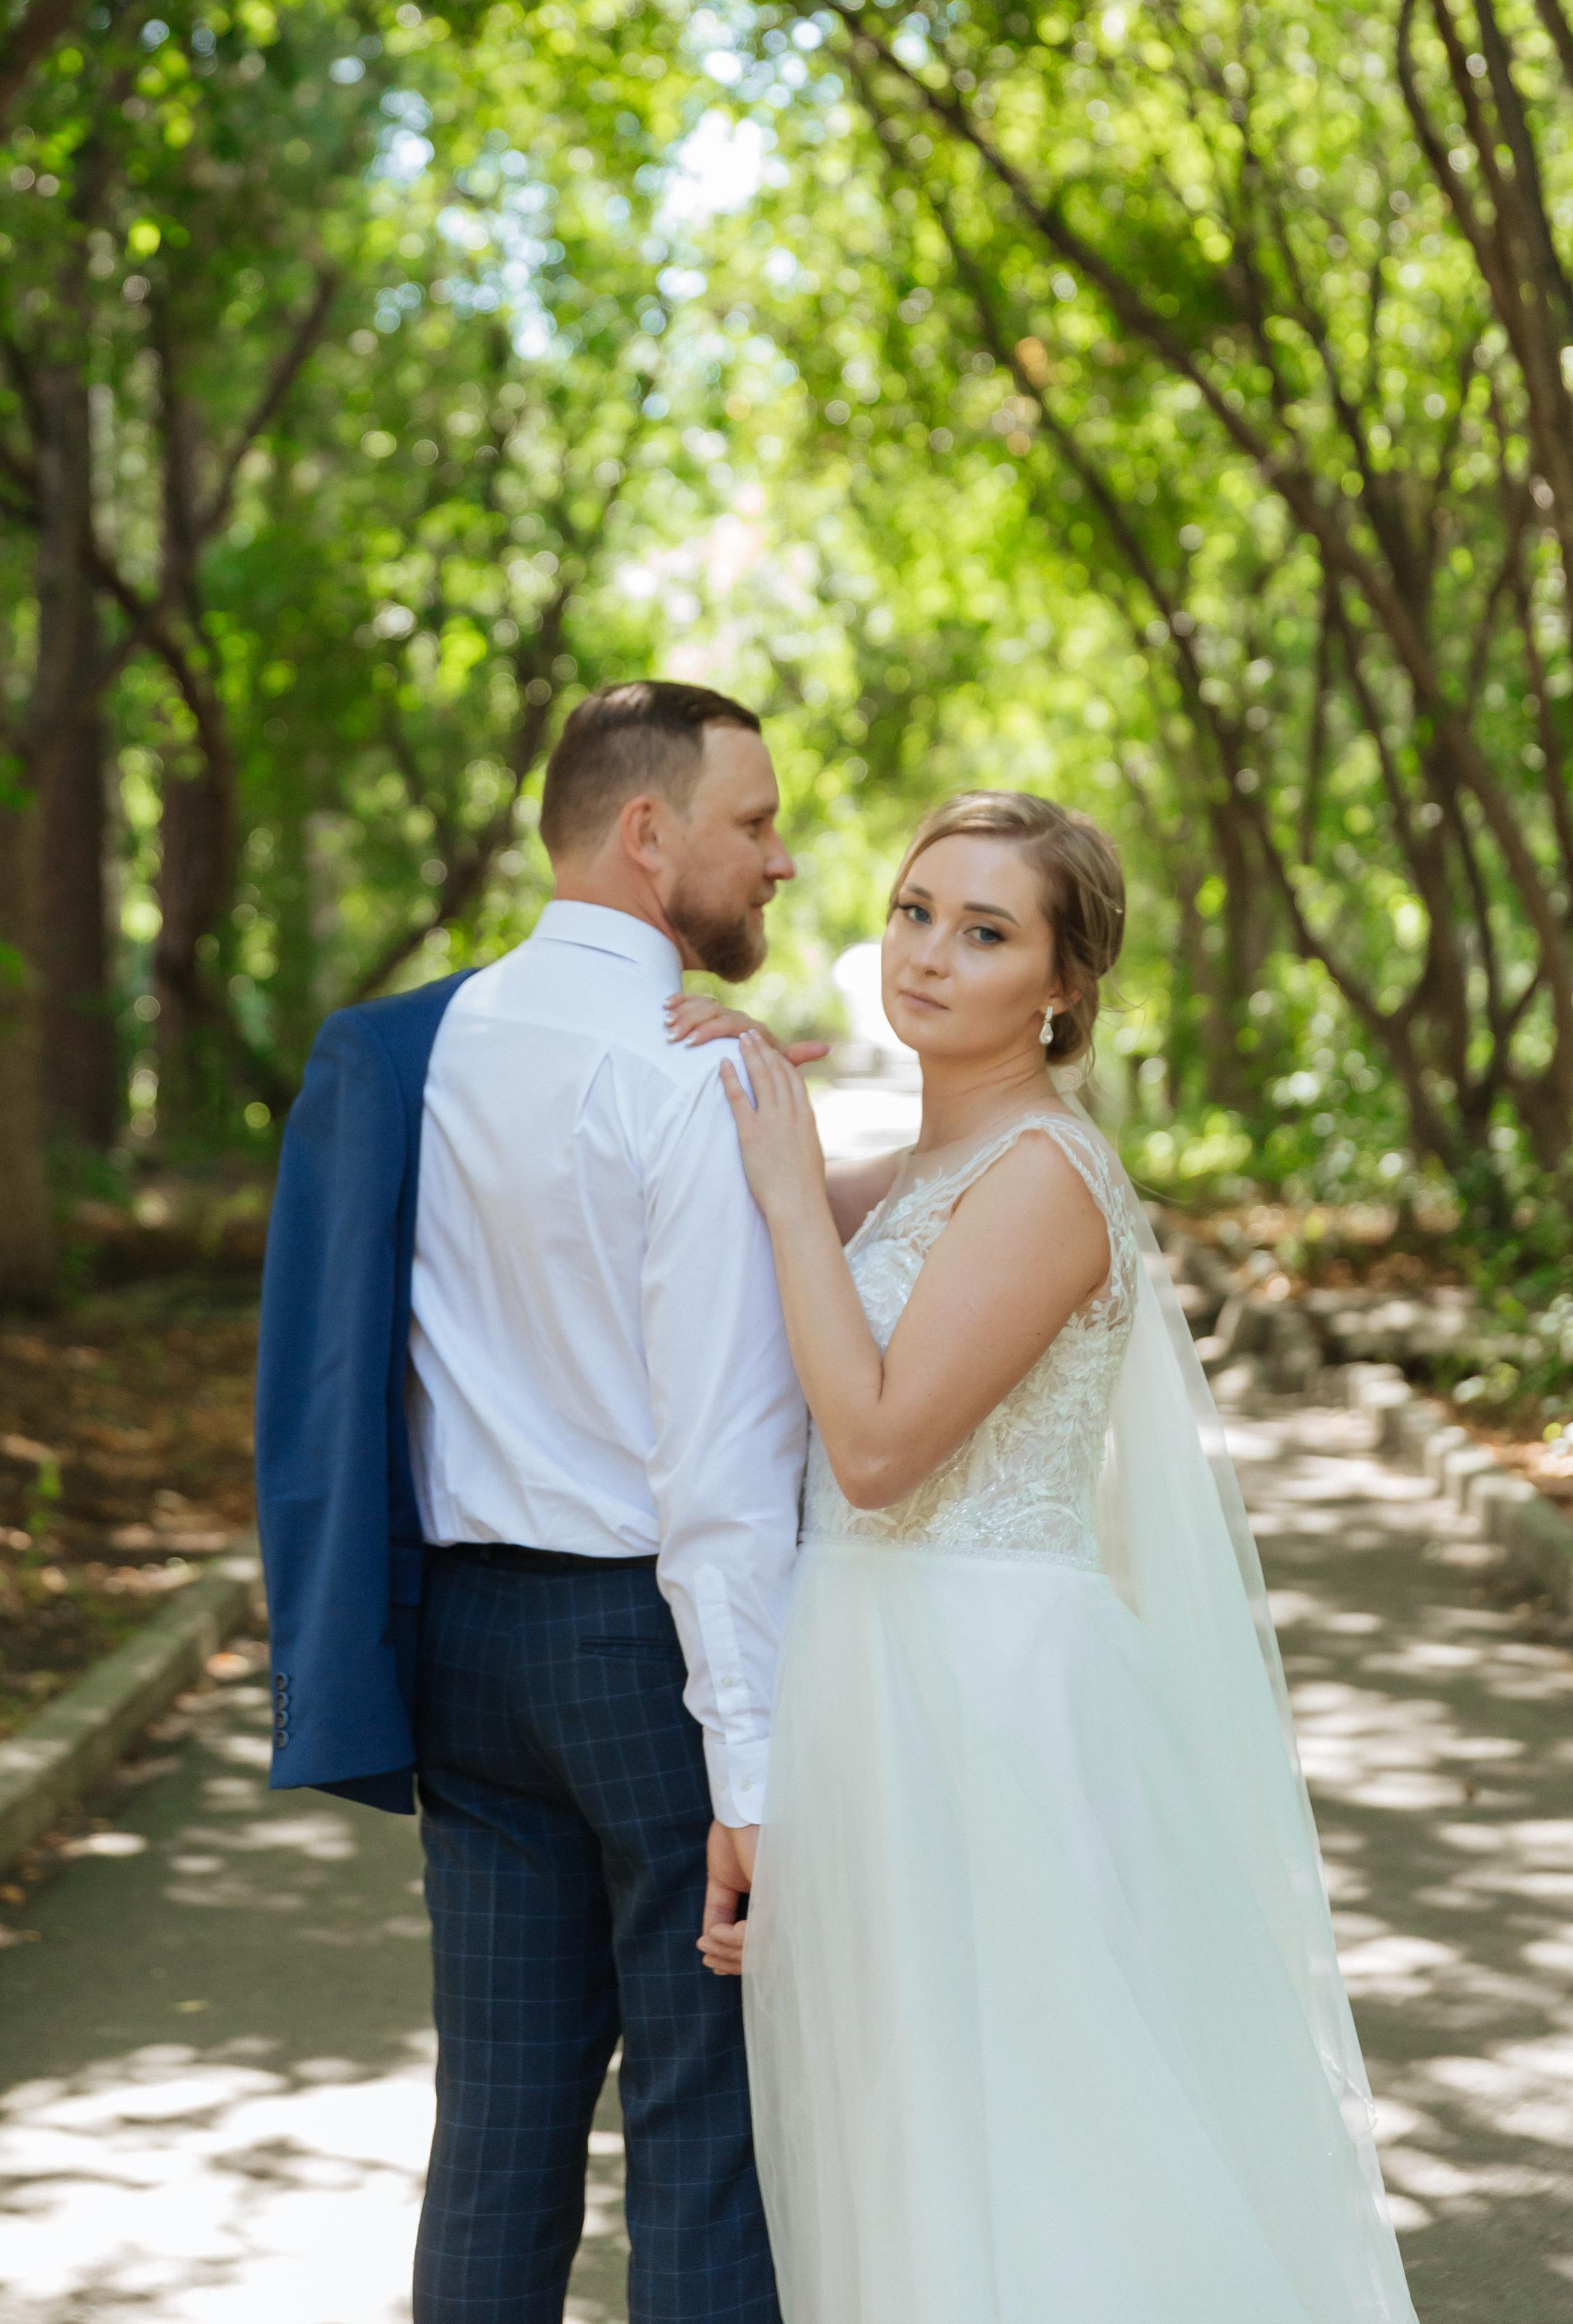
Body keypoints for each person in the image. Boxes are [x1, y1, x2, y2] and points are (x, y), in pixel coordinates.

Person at [674, 790, 1422, 2324]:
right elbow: (710, 1271)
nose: (929, 952)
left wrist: (776, 1192)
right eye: (911, 910)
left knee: (1031, 2138)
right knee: (908, 2142)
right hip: (861, 1691)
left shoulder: (1046, 1181)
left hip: (985, 1701)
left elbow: (877, 1450)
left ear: (1062, 987)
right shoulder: (909, 1177)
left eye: (986, 930)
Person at [254, 679, 813, 2324]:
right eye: (756, 822)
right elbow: (719, 1471)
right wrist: (753, 1767)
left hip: (467, 1651)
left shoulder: (418, 1047)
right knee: (704, 2139)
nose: (779, 862)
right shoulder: (684, 1078)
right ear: (647, 836)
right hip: (646, 1661)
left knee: (496, 2144)